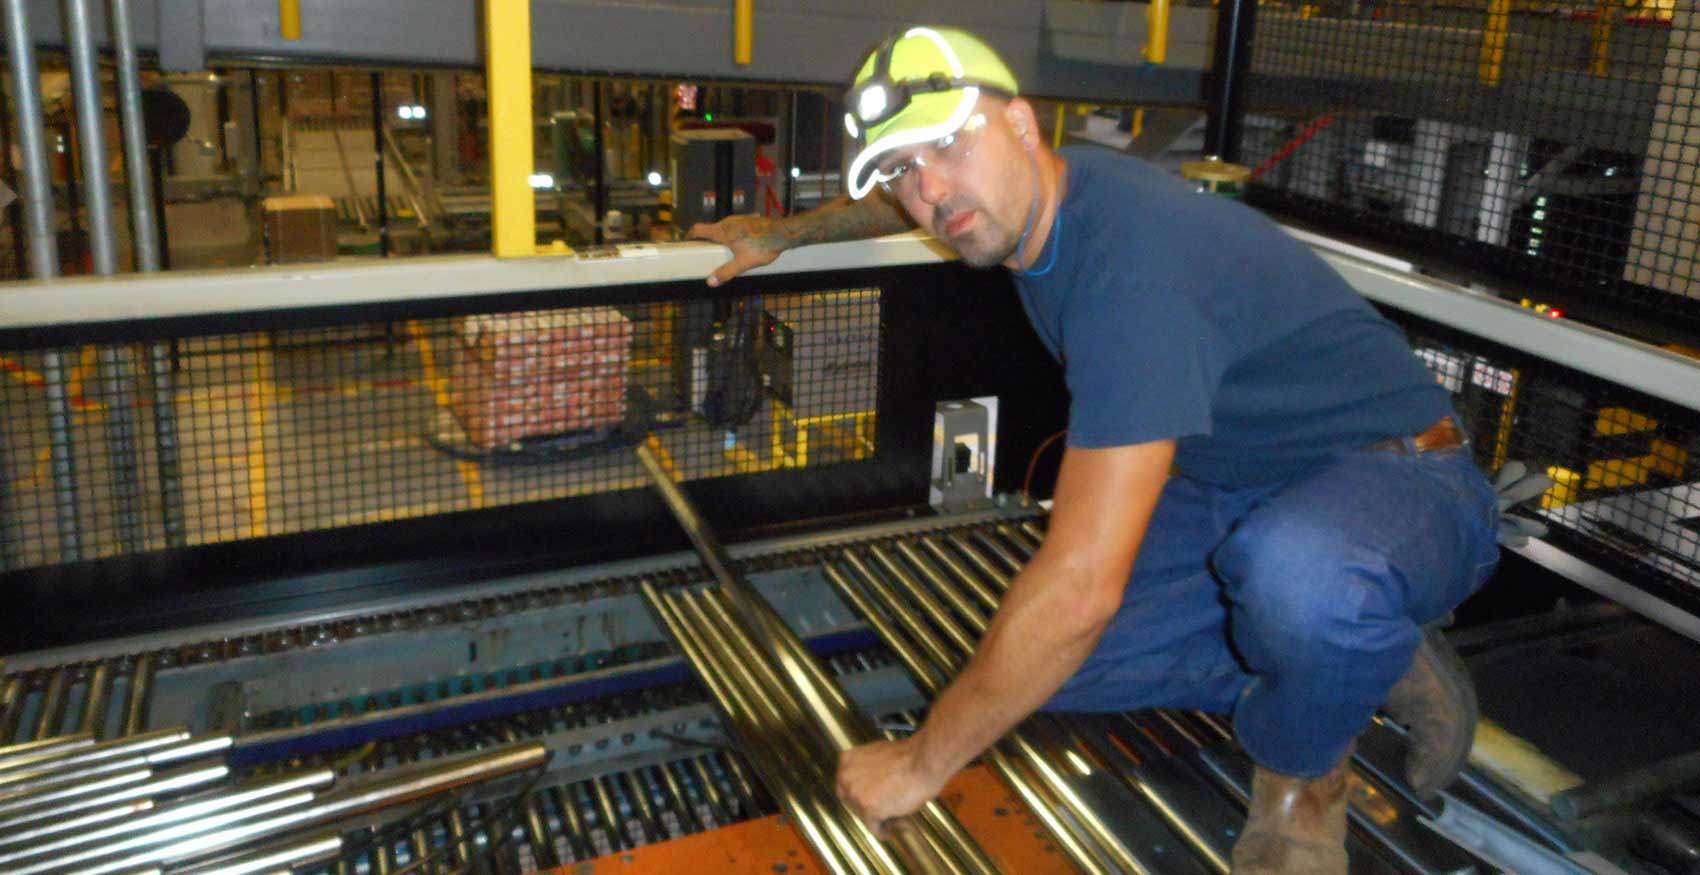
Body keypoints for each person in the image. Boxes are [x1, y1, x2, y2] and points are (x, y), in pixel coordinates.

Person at [690, 27, 1500, 874]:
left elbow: (1080, 587)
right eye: (902, 165)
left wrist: (922, 762)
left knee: (1278, 582)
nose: (931, 190)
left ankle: (1304, 773)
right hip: (1243, 485)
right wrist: (789, 234)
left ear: (1022, 124)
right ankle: (1360, 657)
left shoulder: (1129, 277)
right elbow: (904, 198)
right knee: (1053, 673)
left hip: (1403, 478)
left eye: (949, 143)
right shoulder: (1041, 192)